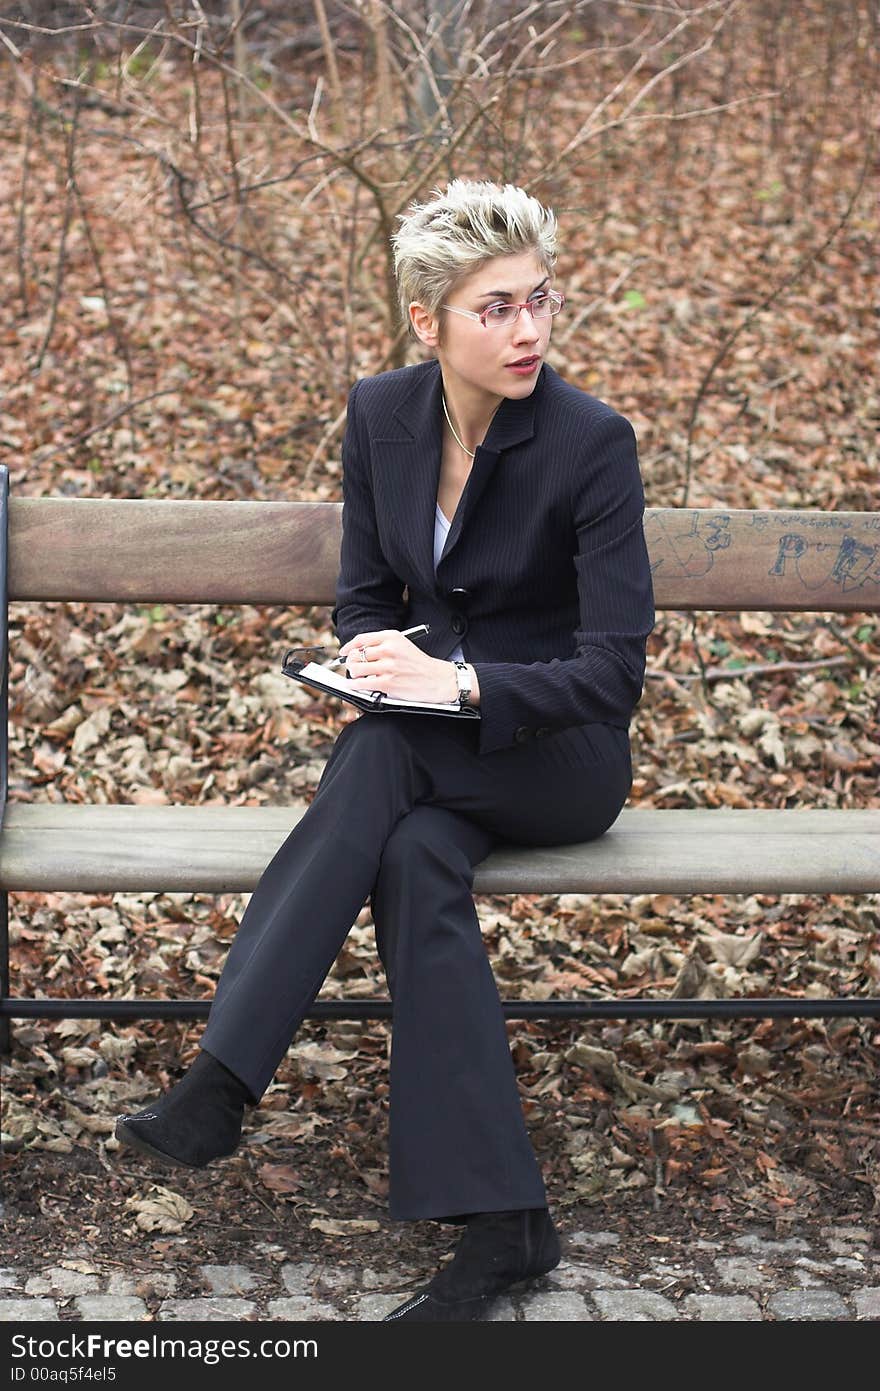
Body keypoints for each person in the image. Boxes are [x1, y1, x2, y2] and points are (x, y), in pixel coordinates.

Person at [114, 178, 655, 1322]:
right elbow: (364, 595)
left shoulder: (590, 443)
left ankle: (221, 1077)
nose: (528, 331)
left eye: (538, 302)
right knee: (409, 854)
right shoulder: (382, 414)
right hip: (433, 744)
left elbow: (614, 674)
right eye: (495, 308)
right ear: (429, 322)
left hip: (558, 753)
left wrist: (452, 682)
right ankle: (504, 1219)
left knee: (376, 760)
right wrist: (365, 659)